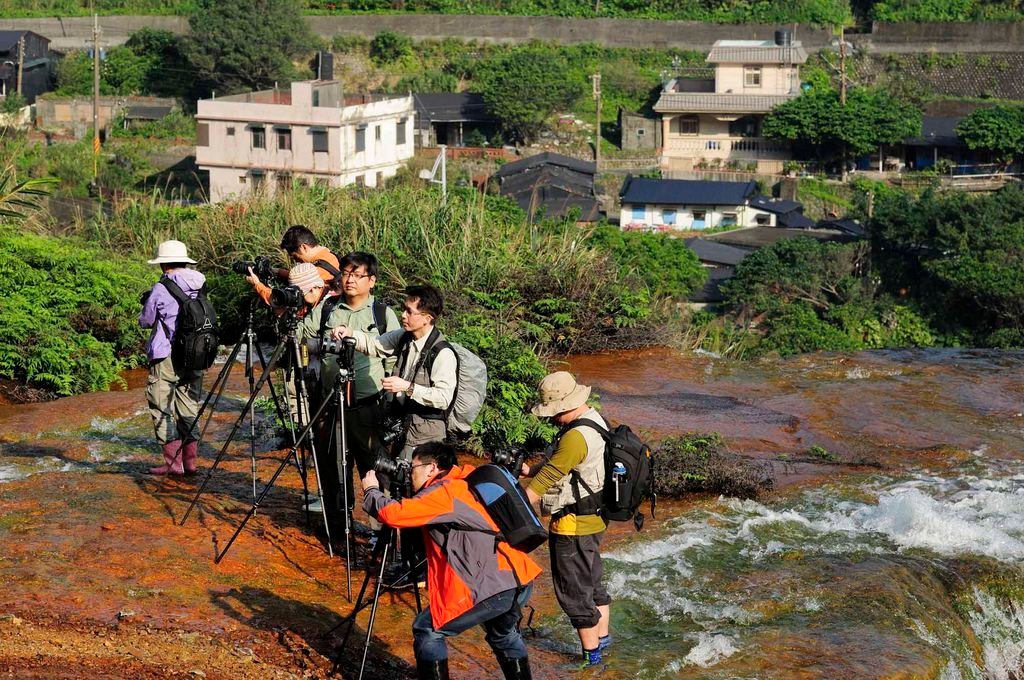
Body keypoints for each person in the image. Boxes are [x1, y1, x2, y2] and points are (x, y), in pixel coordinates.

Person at [361, 442, 540, 680]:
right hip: (516, 577)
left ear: (432, 468)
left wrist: (372, 491)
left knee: (427, 629)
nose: (408, 472)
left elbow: (395, 515)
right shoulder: (465, 479)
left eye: (413, 467)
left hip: (491, 586)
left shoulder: (445, 492)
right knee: (503, 635)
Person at [296, 252, 399, 526]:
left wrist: (392, 403)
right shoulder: (328, 307)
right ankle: (339, 527)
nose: (350, 279)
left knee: (375, 469)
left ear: (372, 280)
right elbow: (300, 336)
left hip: (369, 406)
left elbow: (394, 360)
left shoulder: (383, 314)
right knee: (333, 469)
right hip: (331, 404)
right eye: (346, 273)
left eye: (357, 274)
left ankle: (381, 531)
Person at [523, 371, 611, 668]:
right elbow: (559, 464)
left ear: (564, 406)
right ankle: (603, 640)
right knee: (593, 583)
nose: (551, 419)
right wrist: (529, 471)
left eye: (553, 413)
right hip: (595, 519)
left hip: (572, 525)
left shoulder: (574, 437)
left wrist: (517, 507)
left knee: (573, 593)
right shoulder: (594, 420)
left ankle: (592, 659)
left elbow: (551, 475)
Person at [330, 284, 456, 461]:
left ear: (427, 318)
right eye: (404, 309)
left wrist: (407, 387)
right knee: (393, 479)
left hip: (427, 435)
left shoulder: (443, 354)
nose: (403, 315)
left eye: (409, 311)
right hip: (403, 427)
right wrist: (349, 333)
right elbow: (374, 345)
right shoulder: (404, 336)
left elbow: (443, 398)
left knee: (418, 484)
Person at [139, 240, 206, 476]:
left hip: (167, 355)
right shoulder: (200, 284)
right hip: (197, 354)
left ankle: (173, 465)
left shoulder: (161, 287)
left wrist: (147, 303)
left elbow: (146, 321)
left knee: (161, 407)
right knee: (189, 406)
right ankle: (191, 463)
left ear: (164, 264)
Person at [244, 224, 340, 305]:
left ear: (303, 247)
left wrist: (257, 284)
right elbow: (303, 277)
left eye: (295, 256)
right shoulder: (330, 256)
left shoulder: (318, 272)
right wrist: (275, 272)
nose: (296, 261)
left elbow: (282, 300)